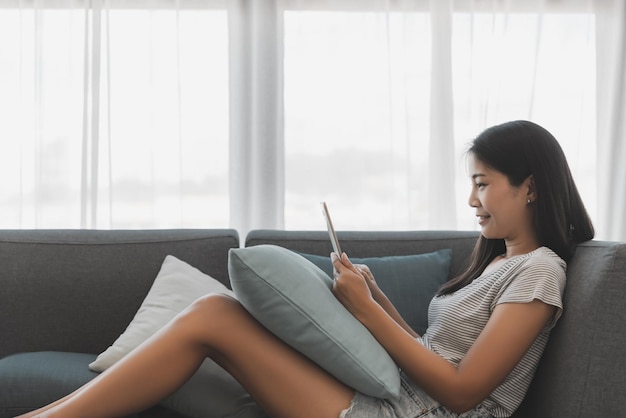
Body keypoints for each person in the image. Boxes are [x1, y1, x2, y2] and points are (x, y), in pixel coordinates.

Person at [17, 120, 594, 418]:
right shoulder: (502, 265)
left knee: (213, 317)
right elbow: (436, 351)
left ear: (531, 187)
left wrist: (369, 313)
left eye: (482, 184)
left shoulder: (540, 272)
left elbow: (465, 393)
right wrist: (376, 300)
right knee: (214, 312)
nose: (472, 201)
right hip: (406, 401)